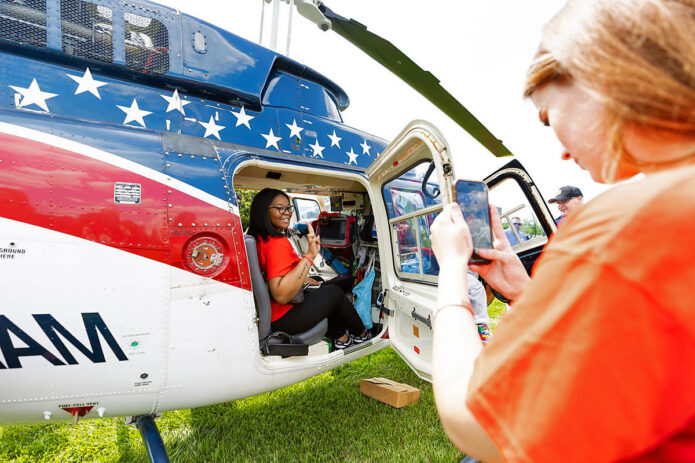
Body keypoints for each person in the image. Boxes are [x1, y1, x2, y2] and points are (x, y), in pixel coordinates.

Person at [429, 1, 695, 461]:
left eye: (549, 119)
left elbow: (474, 422)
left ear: (603, 73)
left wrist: (452, 268)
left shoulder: (624, 226)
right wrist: (526, 293)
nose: (563, 155)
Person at [248, 188, 371, 349]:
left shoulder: (259, 238)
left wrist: (305, 279)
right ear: (264, 211)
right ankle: (362, 335)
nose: (287, 213)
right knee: (335, 293)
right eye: (280, 208)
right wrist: (310, 255)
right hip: (284, 317)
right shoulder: (276, 244)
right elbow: (282, 295)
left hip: (272, 313)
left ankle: (341, 338)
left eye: (289, 208)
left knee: (319, 282)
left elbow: (276, 275)